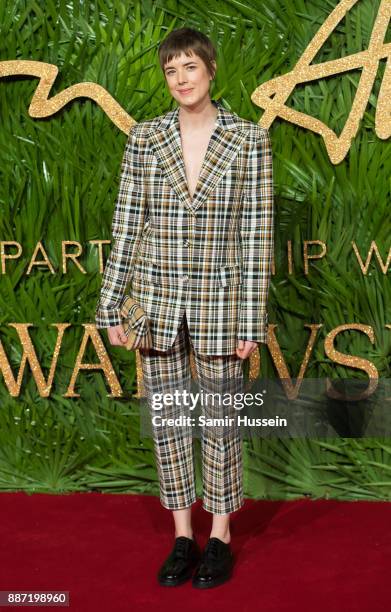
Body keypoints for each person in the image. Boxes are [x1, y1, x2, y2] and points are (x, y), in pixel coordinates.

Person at [95, 27, 274, 589]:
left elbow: (256, 234)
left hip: (222, 305)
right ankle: (182, 535)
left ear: (212, 70)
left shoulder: (249, 140)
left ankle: (219, 536)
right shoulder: (144, 141)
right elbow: (127, 229)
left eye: (190, 68)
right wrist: (111, 307)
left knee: (221, 423)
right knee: (171, 422)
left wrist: (250, 319)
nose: (181, 80)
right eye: (171, 71)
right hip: (156, 304)